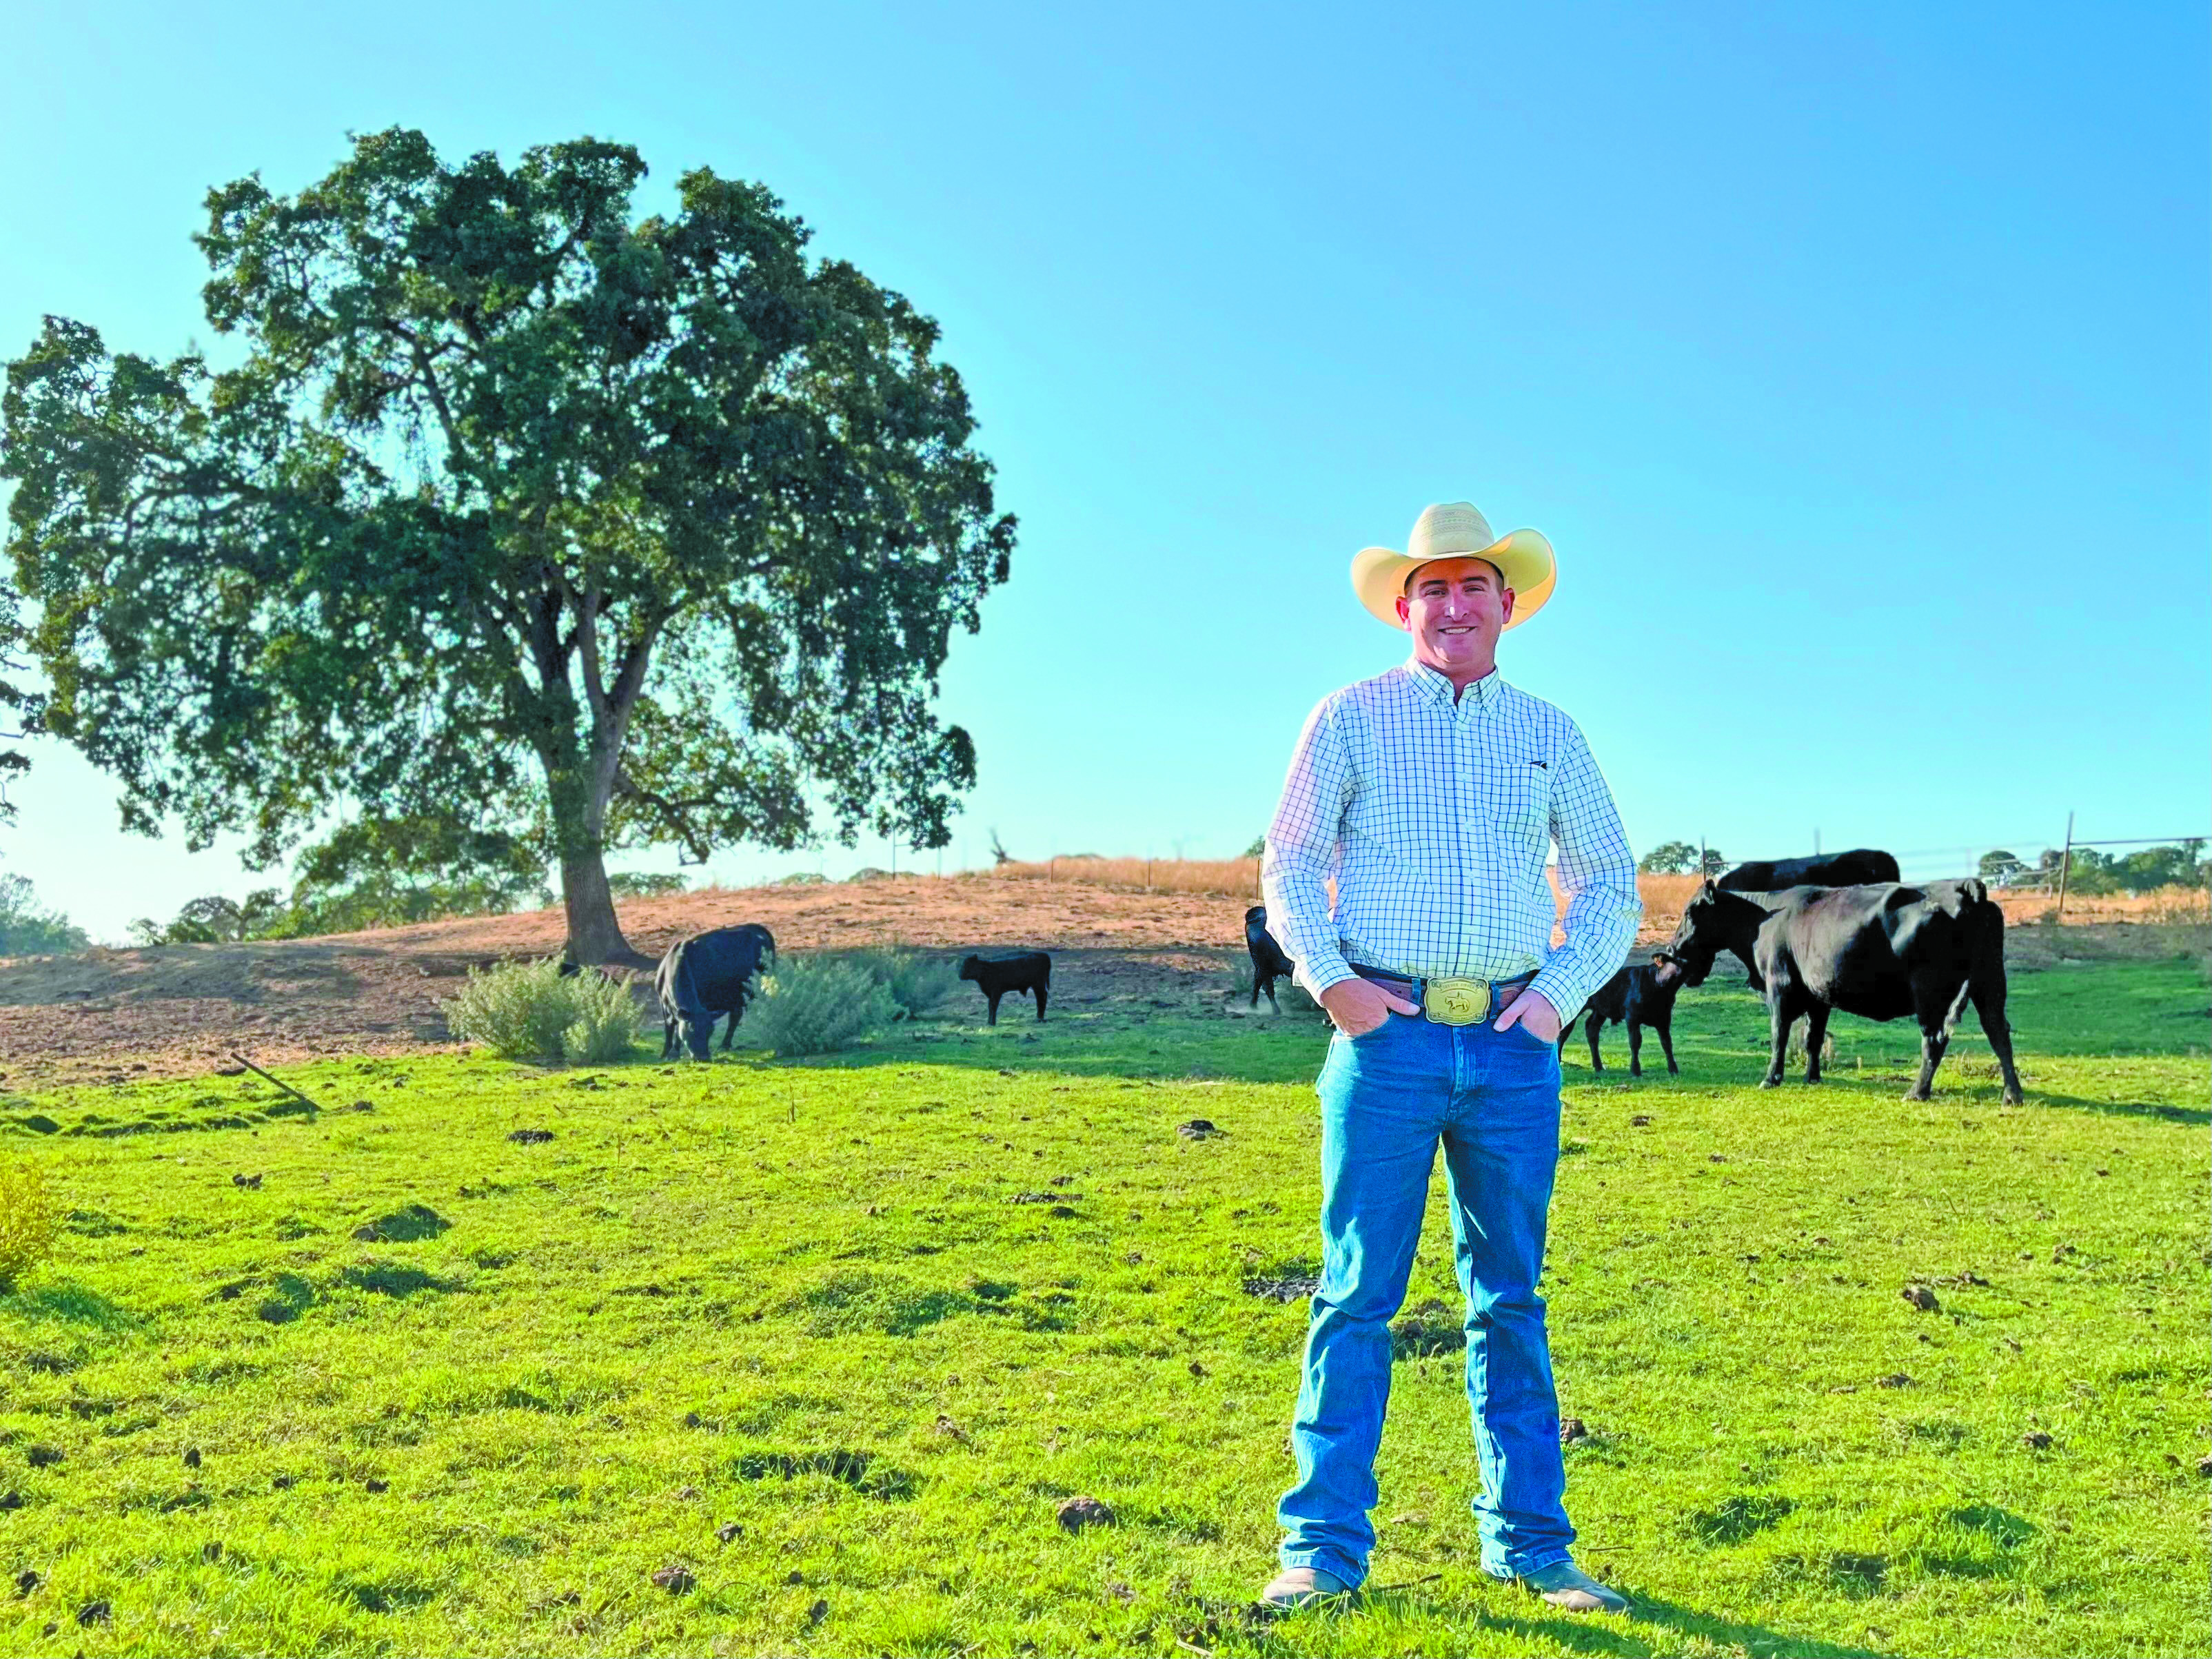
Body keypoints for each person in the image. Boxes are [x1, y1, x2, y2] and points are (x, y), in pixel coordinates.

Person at [1257, 500, 1641, 1615]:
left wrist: (1557, 1001)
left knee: (1510, 1299)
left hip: (1515, 1049)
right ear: (1403, 606)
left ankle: (1531, 1544)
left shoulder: (1551, 733)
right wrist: (1334, 985)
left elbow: (1612, 880)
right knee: (1355, 1294)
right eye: (1434, 587)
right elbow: (1289, 861)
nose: (1456, 604)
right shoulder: (1349, 717)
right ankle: (1321, 1549)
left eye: (1476, 586)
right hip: (1387, 1043)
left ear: (1508, 606)